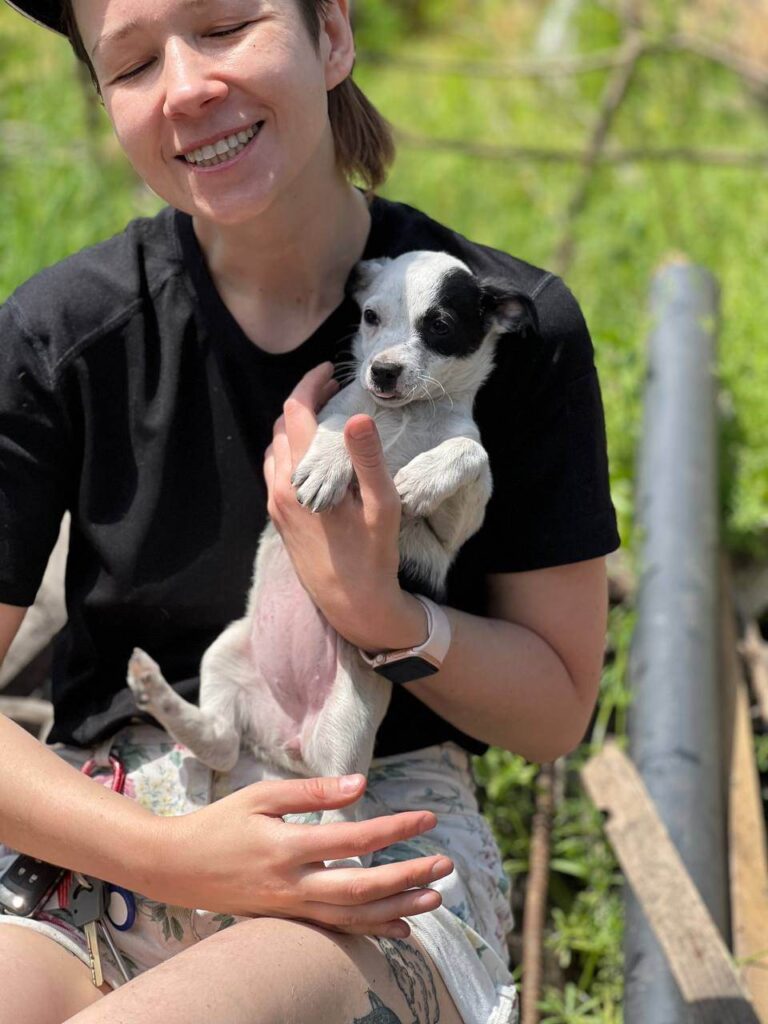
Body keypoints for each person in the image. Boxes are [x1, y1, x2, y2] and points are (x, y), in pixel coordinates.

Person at [0, 0, 620, 1021]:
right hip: (109, 838)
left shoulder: (508, 329)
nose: (189, 83)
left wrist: (384, 614)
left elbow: (555, 707)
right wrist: (172, 854)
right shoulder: (62, 340)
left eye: (227, 22)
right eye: (135, 62)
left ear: (332, 31)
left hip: (367, 847)